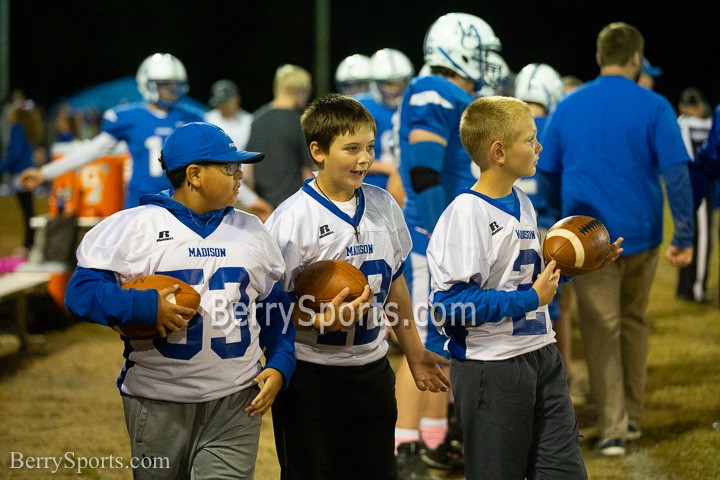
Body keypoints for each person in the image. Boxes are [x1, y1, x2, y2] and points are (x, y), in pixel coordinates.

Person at [64, 121, 296, 479]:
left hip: (236, 401)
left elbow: (273, 305)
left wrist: (281, 361)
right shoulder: (133, 226)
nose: (240, 175)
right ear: (194, 174)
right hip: (158, 401)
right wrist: (143, 307)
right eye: (229, 167)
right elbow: (80, 293)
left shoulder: (252, 230)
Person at [428, 95, 620, 480]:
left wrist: (574, 269)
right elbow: (448, 306)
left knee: (564, 472)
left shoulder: (523, 202)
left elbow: (530, 281)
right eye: (530, 139)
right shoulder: (466, 214)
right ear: (498, 151)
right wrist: (530, 299)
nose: (540, 147)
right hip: (492, 366)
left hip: (541, 354)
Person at [265, 93, 450, 480]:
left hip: (371, 368)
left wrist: (415, 354)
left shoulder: (384, 205)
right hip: (310, 376)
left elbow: (396, 283)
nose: (364, 158)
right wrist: (317, 321)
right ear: (318, 151)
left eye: (368, 147)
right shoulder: (291, 220)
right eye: (351, 148)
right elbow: (266, 307)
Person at [538, 22, 694, 456]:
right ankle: (631, 416)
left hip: (588, 241)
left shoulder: (569, 106)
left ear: (598, 56)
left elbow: (547, 171)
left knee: (602, 327)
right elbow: (676, 172)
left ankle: (612, 427)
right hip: (641, 235)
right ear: (636, 59)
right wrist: (684, 231)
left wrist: (554, 219)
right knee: (632, 322)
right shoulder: (654, 104)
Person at [394, 12, 502, 477]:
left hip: (443, 235)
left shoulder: (453, 94)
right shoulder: (433, 91)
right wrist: (445, 240)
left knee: (446, 342)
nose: (486, 62)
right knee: (424, 342)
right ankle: (404, 446)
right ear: (455, 50)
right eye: (479, 52)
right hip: (428, 239)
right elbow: (423, 169)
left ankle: (434, 437)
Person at [19, 53, 206, 208]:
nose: (172, 91)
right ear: (147, 84)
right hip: (141, 203)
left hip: (182, 203)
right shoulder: (129, 117)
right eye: (165, 85)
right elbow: (91, 151)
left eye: (175, 85)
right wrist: (45, 173)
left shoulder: (192, 118)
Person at [512, 63, 576, 380]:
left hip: (505, 232)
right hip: (546, 230)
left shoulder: (505, 127)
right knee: (551, 310)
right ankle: (557, 379)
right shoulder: (555, 125)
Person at [245, 64, 314, 209]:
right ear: (300, 91)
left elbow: (249, 169)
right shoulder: (301, 122)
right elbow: (307, 171)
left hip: (264, 207)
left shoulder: (257, 119)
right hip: (294, 206)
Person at [205, 79, 273, 220]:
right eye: (219, 102)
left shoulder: (250, 121)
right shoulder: (208, 120)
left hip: (246, 182)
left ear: (236, 99)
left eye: (225, 101)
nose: (222, 106)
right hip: (221, 181)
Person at [356, 48, 414, 191]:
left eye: (399, 83)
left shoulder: (413, 106)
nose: (395, 89)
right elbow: (350, 157)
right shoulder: (363, 108)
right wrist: (388, 167)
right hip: (370, 186)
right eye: (388, 84)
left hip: (405, 186)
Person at [675, 87, 713, 303]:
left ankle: (684, 287)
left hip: (685, 187)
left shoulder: (683, 122)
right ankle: (695, 289)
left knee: (688, 235)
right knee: (702, 238)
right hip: (698, 185)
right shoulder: (689, 123)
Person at [0, 97, 45, 254]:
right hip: (28, 172)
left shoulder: (17, 127)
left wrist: (2, 168)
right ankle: (30, 244)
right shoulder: (28, 128)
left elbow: (14, 154)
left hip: (20, 175)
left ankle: (29, 245)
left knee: (27, 210)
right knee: (28, 210)